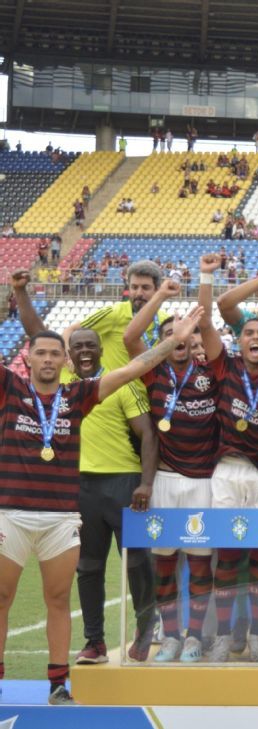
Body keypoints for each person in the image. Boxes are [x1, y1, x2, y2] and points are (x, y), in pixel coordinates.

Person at [0, 307, 203, 705]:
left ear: (65, 361)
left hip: (60, 517)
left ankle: (58, 684)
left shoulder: (78, 395)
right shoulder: (10, 389)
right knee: (2, 598)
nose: (46, 359)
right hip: (11, 514)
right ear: (28, 358)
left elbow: (132, 369)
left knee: (58, 600)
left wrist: (173, 339)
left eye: (53, 354)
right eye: (39, 353)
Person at [13, 271, 161, 666]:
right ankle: (94, 641)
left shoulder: (117, 385)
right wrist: (22, 291)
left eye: (88, 347)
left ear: (98, 350)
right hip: (79, 489)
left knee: (139, 562)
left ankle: (146, 629)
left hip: (124, 483)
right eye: (75, 346)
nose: (82, 352)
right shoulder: (58, 381)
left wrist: (145, 482)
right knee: (89, 567)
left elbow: (148, 435)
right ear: (65, 352)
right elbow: (35, 331)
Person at [198, 255, 258, 662]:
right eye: (249, 332)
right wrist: (208, 275)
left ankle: (256, 634)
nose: (255, 337)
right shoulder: (225, 366)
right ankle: (222, 635)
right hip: (227, 470)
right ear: (239, 339)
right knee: (227, 556)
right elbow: (208, 317)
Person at [125, 277, 219, 664]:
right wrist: (163, 299)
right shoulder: (154, 374)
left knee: (199, 564)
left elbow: (210, 329)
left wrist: (204, 286)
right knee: (164, 562)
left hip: (203, 483)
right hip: (163, 480)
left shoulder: (212, 372)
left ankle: (195, 636)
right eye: (169, 334)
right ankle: (171, 637)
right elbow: (132, 338)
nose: (179, 338)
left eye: (184, 333)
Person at [59, 260, 164, 372]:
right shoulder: (114, 313)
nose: (138, 293)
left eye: (145, 288)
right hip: (115, 388)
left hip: (151, 388)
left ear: (157, 290)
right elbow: (70, 331)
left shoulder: (164, 321)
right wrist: (70, 358)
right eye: (134, 287)